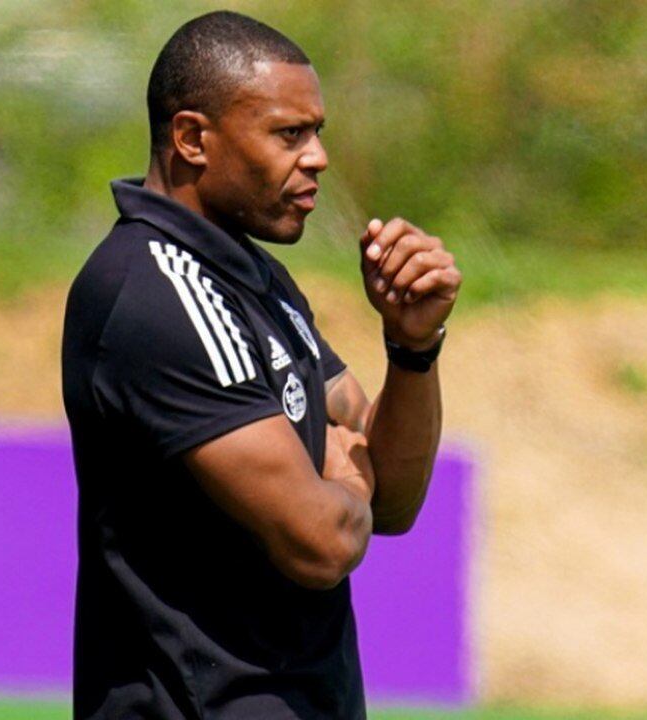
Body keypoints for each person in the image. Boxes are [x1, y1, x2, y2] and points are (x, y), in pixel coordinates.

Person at [60, 10, 461, 719]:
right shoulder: (156, 293)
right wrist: (345, 476)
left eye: (317, 132)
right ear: (192, 138)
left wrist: (412, 348)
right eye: (288, 134)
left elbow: (393, 500)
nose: (318, 158)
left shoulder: (256, 277)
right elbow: (323, 542)